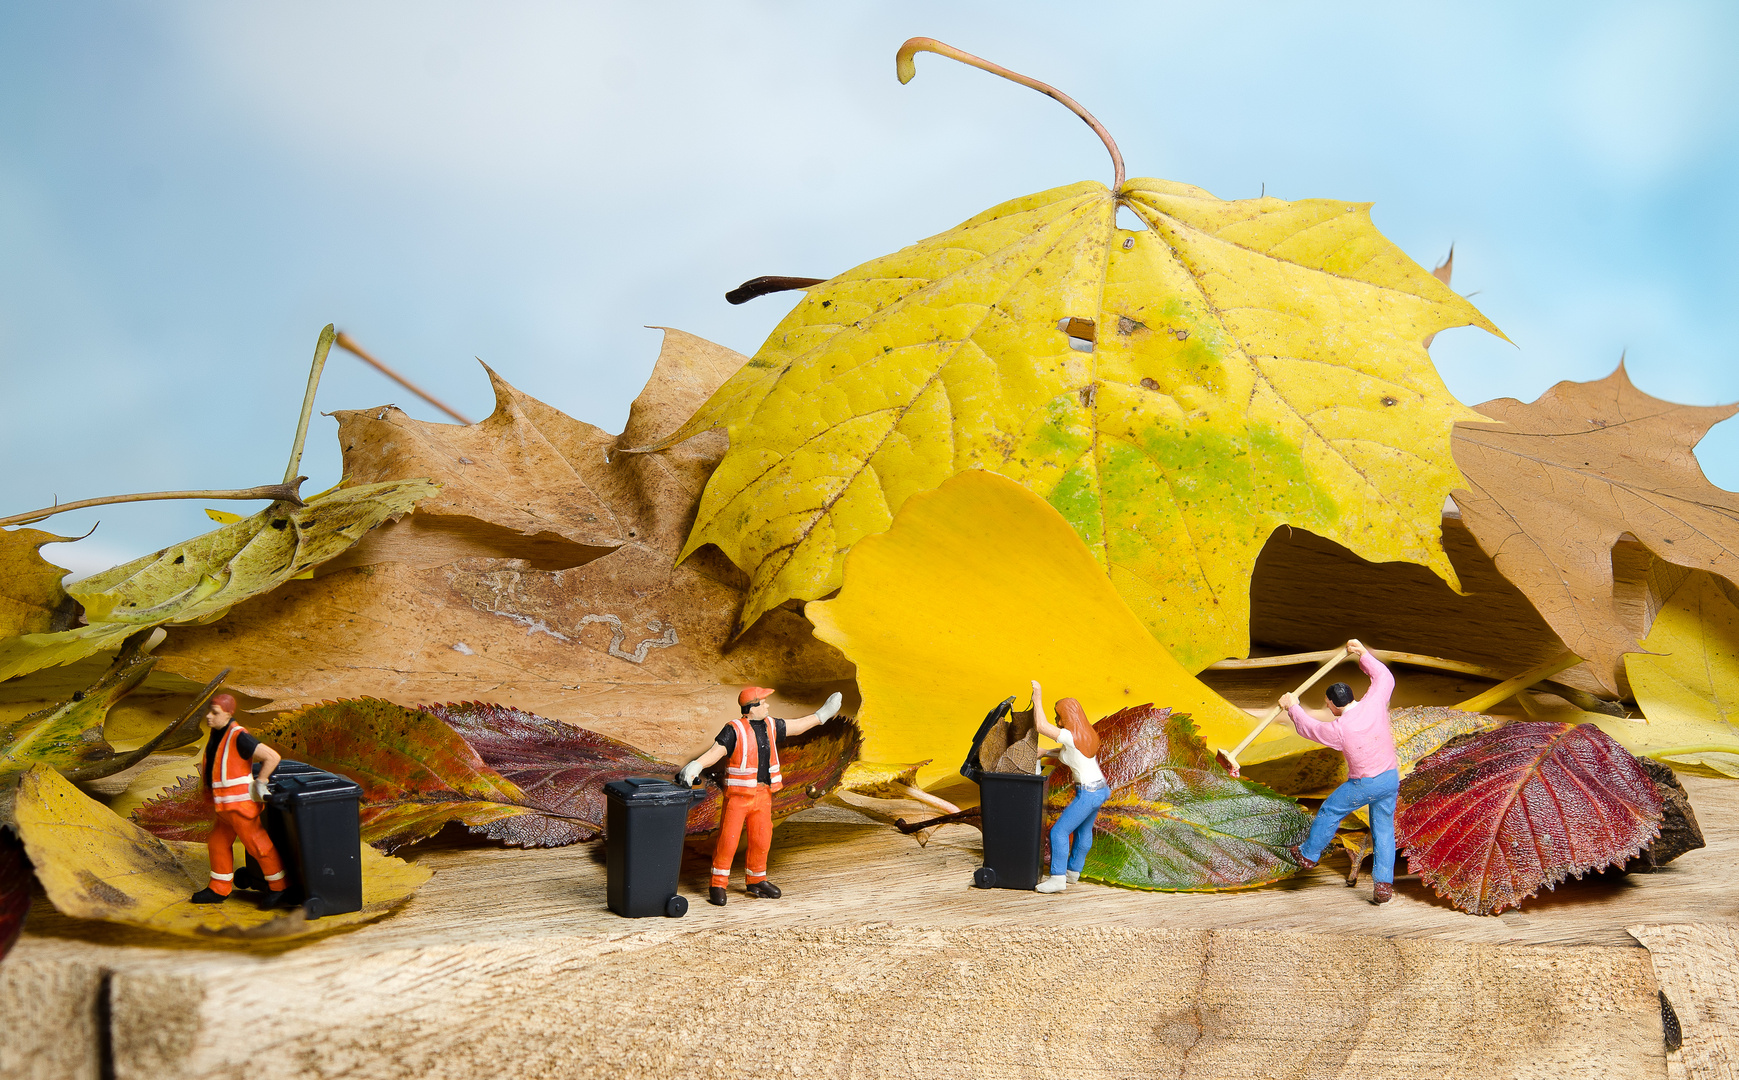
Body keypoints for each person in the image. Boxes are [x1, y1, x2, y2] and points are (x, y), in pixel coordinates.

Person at [678, 687, 842, 906]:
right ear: (752, 708)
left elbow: (797, 727)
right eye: (763, 702)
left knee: (762, 838)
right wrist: (696, 765)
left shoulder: (771, 725)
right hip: (738, 797)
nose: (767, 706)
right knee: (728, 840)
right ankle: (718, 883)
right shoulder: (734, 729)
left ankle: (756, 879)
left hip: (763, 795)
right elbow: (716, 751)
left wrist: (822, 715)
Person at [1280, 638, 1399, 905]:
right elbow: (1384, 678)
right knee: (1383, 831)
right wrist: (1363, 655)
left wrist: (1292, 707)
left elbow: (1310, 729)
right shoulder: (1375, 702)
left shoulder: (1339, 729)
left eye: (1327, 704)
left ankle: (1308, 854)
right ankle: (1383, 884)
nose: (1326, 708)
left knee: (1331, 810)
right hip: (1390, 779)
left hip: (1364, 784)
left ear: (1334, 704)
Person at [189, 693, 294, 908]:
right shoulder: (217, 735)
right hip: (224, 807)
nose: (208, 717)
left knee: (258, 845)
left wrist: (261, 780)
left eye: (214, 713)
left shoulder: (239, 736)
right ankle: (219, 888)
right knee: (217, 844)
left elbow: (272, 757)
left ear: (228, 714)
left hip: (239, 805)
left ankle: (281, 887)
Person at [1030, 680, 1107, 894]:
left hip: (1089, 793)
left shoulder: (1071, 736)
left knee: (1058, 833)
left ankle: (1057, 878)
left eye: (1059, 716)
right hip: (1099, 790)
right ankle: (1073, 872)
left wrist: (1038, 697)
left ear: (1067, 716)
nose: (1057, 721)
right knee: (1083, 831)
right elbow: (1070, 757)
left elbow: (1041, 726)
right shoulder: (1086, 735)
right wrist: (1046, 753)